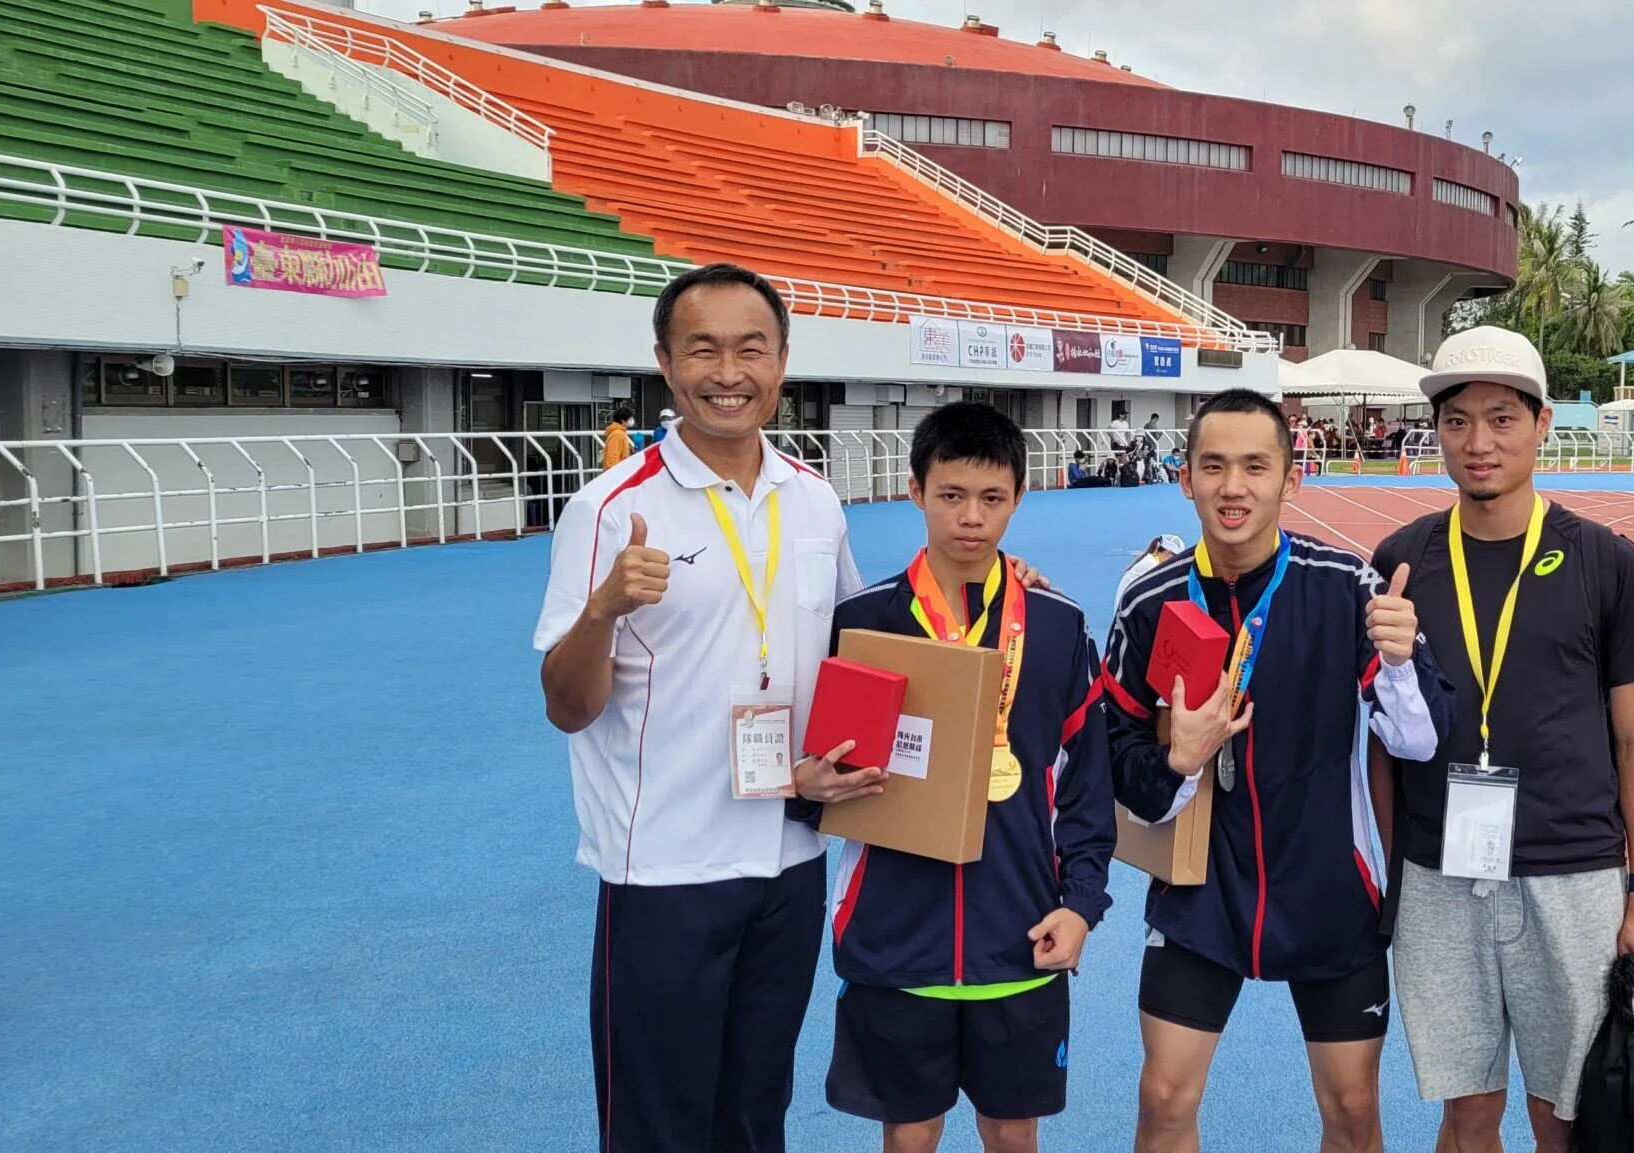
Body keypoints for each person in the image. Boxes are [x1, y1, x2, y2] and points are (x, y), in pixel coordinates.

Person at [535, 263, 877, 1153]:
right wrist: (603, 610)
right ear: (665, 362)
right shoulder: (610, 508)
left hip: (790, 858)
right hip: (664, 872)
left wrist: (993, 583)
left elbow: (859, 644)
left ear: (783, 361)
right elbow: (567, 707)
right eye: (704, 349)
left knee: (757, 1118)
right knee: (657, 1128)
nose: (729, 372)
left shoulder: (815, 498)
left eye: (750, 349)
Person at [1103, 388, 1452, 1153]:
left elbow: (1424, 739)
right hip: (1199, 890)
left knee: (1354, 1109)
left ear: (1291, 481)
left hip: (1327, 885)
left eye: (1256, 467)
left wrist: (1399, 661)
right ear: (1184, 476)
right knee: (1162, 1096)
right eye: (1215, 466)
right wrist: (1175, 763)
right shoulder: (1149, 599)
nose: (1234, 487)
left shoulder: (1347, 587)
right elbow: (1112, 750)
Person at [1368, 326, 1634, 1153]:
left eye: (1502, 418)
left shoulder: (1605, 562)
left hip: (1571, 876)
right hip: (1441, 878)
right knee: (1466, 1115)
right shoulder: (1400, 563)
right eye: (1457, 420)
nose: (1479, 441)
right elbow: (1382, 743)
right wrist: (1395, 881)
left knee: (1567, 1118)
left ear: (1543, 424)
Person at [811, 401, 1115, 1153]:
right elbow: (818, 776)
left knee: (1013, 1133)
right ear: (915, 491)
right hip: (895, 939)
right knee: (908, 1136)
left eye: (992, 497)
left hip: (1019, 938)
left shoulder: (1056, 624)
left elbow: (1086, 783)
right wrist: (807, 787)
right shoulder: (865, 620)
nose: (970, 518)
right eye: (951, 495)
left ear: (1020, 495)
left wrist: (1080, 904)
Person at [602, 403, 636, 470]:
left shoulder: (619, 433)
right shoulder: (618, 435)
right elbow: (612, 460)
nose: (632, 419)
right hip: (615, 475)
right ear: (623, 420)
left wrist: (630, 451)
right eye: (630, 418)